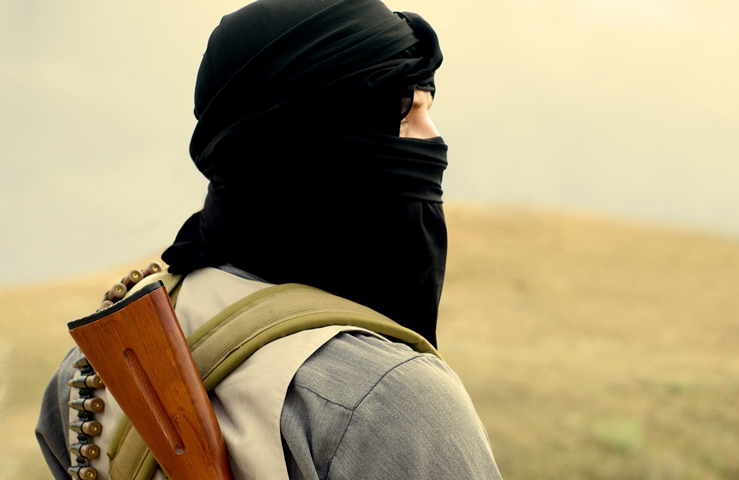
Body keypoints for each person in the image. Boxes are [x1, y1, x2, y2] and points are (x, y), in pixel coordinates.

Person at [35, 0, 504, 478]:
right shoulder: (392, 397)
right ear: (318, 146)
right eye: (407, 116)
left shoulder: (91, 369)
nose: (435, 140)